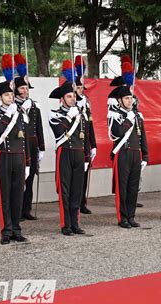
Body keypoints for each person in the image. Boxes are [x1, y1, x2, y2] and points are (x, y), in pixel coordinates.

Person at [0, 55, 31, 244]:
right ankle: (6, 231)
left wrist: (27, 161)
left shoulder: (20, 114)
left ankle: (16, 230)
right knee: (5, 195)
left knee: (17, 194)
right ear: (0, 97)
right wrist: (8, 114)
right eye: (7, 95)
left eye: (12, 95)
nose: (10, 98)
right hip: (4, 156)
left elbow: (26, 139)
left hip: (19, 158)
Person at [49, 64, 89, 236]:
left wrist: (86, 156)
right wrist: (70, 116)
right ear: (62, 99)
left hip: (78, 154)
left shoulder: (81, 114)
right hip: (64, 153)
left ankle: (75, 223)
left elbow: (85, 135)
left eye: (74, 96)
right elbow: (59, 131)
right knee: (65, 190)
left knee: (77, 189)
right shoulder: (54, 114)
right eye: (69, 96)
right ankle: (66, 224)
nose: (73, 99)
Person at [108, 85, 148, 228]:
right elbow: (114, 134)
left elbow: (143, 136)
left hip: (136, 154)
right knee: (122, 188)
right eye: (126, 98)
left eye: (131, 98)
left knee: (133, 187)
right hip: (123, 153)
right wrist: (128, 121)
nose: (130, 101)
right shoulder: (114, 114)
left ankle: (131, 216)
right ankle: (122, 218)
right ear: (120, 100)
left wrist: (145, 155)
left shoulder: (138, 115)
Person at [13, 54, 45, 221]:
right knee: (19, 179)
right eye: (22, 88)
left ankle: (27, 209)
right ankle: (17, 210)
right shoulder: (12, 106)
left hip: (32, 144)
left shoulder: (34, 105)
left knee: (30, 177)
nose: (25, 91)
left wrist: (42, 148)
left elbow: (39, 127)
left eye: (26, 88)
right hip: (19, 145)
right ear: (16, 90)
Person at [74, 56, 97, 215]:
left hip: (85, 145)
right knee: (75, 177)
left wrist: (93, 144)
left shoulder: (86, 104)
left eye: (82, 88)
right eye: (78, 88)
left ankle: (82, 202)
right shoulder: (71, 104)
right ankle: (75, 203)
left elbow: (90, 125)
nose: (81, 90)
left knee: (84, 176)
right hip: (74, 144)